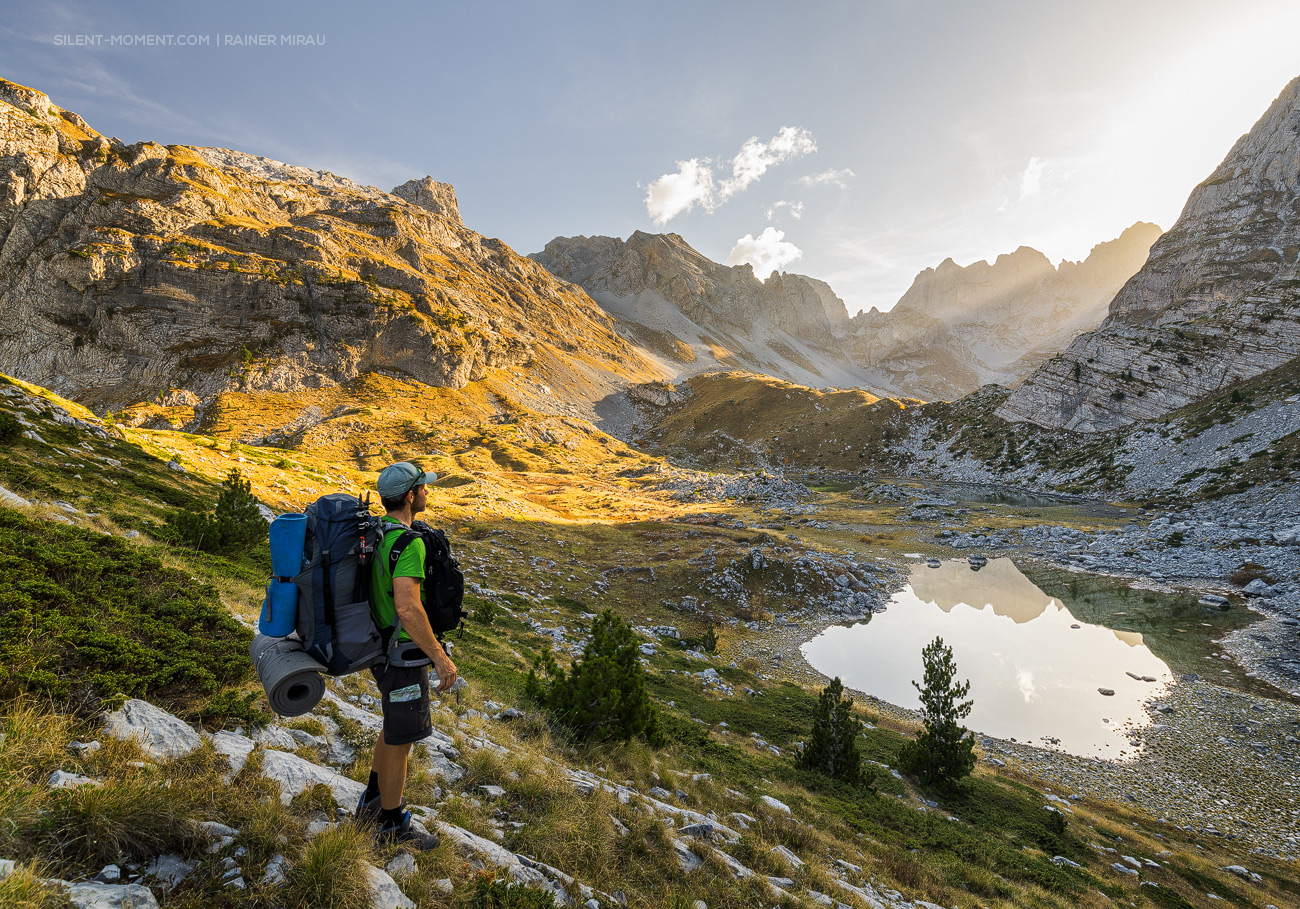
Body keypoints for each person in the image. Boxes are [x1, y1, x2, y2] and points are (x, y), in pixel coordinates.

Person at [355, 460, 459, 847]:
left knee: (392, 727)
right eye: (424, 488)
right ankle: (391, 825)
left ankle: (371, 800)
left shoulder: (378, 532)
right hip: (402, 655)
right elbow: (409, 608)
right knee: (402, 739)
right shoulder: (409, 542)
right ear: (411, 496)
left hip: (381, 648)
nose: (428, 493)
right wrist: (440, 657)